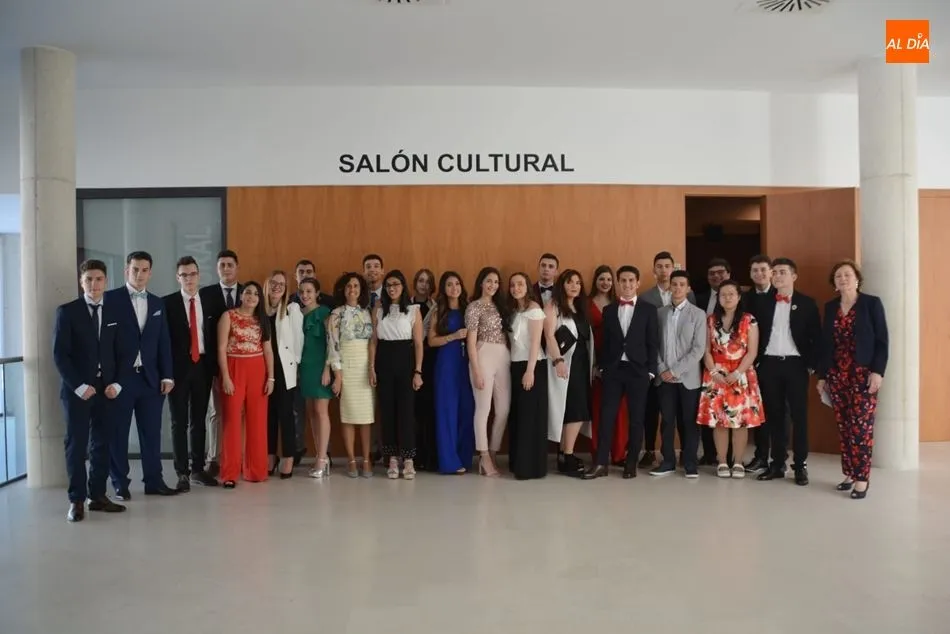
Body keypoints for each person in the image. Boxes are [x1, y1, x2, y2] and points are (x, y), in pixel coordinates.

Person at [53, 259, 130, 521]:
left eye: (98, 279)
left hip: (108, 390)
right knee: (76, 445)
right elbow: (60, 355)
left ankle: (96, 495)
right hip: (78, 391)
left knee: (103, 443)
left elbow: (126, 352)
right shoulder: (67, 312)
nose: (94, 284)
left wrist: (117, 383)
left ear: (106, 281)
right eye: (88, 280)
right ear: (81, 282)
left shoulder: (116, 312)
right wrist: (79, 386)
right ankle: (76, 501)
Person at [107, 251, 179, 499]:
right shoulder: (111, 299)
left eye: (144, 270)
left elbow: (164, 342)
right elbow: (105, 343)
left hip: (150, 379)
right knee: (118, 433)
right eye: (135, 269)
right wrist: (109, 379)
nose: (139, 274)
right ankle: (119, 483)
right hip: (121, 380)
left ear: (150, 272)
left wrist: (167, 375)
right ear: (127, 270)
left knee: (152, 433)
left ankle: (154, 481)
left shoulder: (158, 303)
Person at [817, 260, 888, 500]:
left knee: (861, 429)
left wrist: (878, 371)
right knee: (844, 426)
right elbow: (825, 345)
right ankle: (849, 472)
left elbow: (882, 341)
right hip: (837, 376)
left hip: (863, 376)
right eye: (838, 276)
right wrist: (822, 376)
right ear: (834, 284)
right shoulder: (830, 307)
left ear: (857, 279)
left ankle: (862, 478)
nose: (843, 279)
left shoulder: (871, 304)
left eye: (848, 275)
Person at [583, 265, 659, 480]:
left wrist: (651, 372)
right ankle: (600, 463)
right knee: (606, 417)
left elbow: (653, 343)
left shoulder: (648, 310)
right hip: (614, 371)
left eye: (630, 281)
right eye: (623, 281)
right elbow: (605, 343)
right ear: (618, 283)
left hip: (638, 372)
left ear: (637, 283)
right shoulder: (609, 310)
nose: (626, 285)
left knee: (636, 420)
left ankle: (631, 463)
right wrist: (602, 367)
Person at [752, 257, 821, 486]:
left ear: (794, 276)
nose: (778, 276)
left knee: (799, 416)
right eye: (776, 272)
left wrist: (811, 364)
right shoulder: (763, 303)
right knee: (774, 416)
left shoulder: (807, 303)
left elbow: (816, 338)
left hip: (795, 365)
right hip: (769, 365)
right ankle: (777, 463)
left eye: (783, 272)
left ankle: (800, 465)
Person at [696, 280, 765, 479]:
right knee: (720, 421)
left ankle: (737, 462)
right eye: (723, 294)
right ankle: (722, 461)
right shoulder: (710, 320)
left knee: (739, 422)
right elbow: (706, 350)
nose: (727, 298)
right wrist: (714, 372)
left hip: (741, 376)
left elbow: (752, 352)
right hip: (716, 375)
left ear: (739, 296)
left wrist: (737, 373)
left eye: (731, 294)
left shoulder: (749, 320)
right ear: (718, 298)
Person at [163, 256, 218, 491]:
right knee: (178, 422)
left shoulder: (209, 300)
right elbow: (163, 342)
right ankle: (181, 472)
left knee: (199, 419)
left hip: (203, 366)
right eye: (184, 275)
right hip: (177, 369)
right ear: (178, 278)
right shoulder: (167, 303)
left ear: (199, 275)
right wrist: (165, 373)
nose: (189, 278)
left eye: (192, 274)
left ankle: (197, 469)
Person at [217, 282, 275, 488]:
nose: (251, 296)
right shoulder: (228, 316)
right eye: (248, 292)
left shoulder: (262, 319)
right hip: (234, 368)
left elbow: (268, 351)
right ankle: (229, 473)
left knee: (257, 421)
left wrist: (271, 378)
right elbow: (222, 348)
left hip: (257, 369)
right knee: (232, 421)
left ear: (260, 299)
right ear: (241, 295)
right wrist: (225, 377)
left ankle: (256, 471)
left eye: (255, 294)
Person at [651, 270, 706, 478]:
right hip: (664, 377)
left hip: (688, 378)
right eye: (674, 284)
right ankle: (667, 462)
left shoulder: (698, 314)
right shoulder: (660, 313)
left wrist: (675, 370)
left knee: (689, 421)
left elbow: (698, 349)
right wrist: (662, 369)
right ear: (669, 286)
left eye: (682, 284)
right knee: (667, 421)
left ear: (688, 288)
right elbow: (654, 345)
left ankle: (690, 463)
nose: (677, 288)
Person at [370, 270, 425, 479]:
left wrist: (418, 371)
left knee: (406, 412)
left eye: (396, 284)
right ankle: (392, 458)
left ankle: (408, 458)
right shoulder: (378, 309)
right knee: (387, 411)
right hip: (384, 361)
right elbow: (374, 342)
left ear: (403, 286)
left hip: (405, 361)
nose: (392, 288)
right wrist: (372, 368)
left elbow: (419, 343)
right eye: (389, 285)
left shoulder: (413, 310)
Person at [545, 269, 594, 476]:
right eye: (570, 282)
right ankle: (567, 454)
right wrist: (558, 360)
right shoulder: (553, 306)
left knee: (578, 409)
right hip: (564, 364)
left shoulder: (581, 308)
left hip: (582, 364)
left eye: (578, 282)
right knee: (571, 409)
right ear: (561, 285)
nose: (574, 286)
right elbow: (549, 336)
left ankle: (567, 454)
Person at [199, 249, 243, 477]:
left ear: (237, 267)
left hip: (244, 365)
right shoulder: (205, 294)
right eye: (222, 265)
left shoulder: (248, 293)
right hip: (214, 366)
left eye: (230, 265)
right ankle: (213, 458)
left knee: (239, 413)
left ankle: (237, 456)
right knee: (215, 412)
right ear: (217, 269)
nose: (226, 269)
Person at [328, 273, 376, 478]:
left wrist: (372, 367)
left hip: (365, 366)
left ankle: (366, 459)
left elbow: (373, 342)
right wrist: (337, 375)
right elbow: (333, 345)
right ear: (342, 289)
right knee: (347, 416)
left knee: (366, 417)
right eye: (348, 286)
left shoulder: (367, 313)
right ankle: (350, 460)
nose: (352, 290)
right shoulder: (336, 314)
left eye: (356, 286)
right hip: (346, 366)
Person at [428, 271, 476, 475]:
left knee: (467, 410)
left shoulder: (469, 308)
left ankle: (464, 457)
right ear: (443, 288)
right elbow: (431, 340)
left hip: (467, 365)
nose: (454, 287)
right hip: (446, 364)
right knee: (446, 412)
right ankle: (449, 461)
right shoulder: (439, 309)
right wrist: (453, 336)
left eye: (457, 283)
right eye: (449, 284)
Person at [465, 266, 510, 477]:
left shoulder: (502, 306)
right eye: (489, 281)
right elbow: (471, 342)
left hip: (504, 356)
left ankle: (493, 451)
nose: (493, 285)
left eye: (496, 282)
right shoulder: (473, 307)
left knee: (503, 410)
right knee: (483, 409)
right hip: (482, 356)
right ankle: (483, 456)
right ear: (481, 283)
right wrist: (475, 370)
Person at [506, 273, 549, 480]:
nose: (516, 288)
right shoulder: (513, 311)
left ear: (527, 287)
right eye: (513, 285)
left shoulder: (535, 310)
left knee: (530, 417)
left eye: (520, 284)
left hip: (531, 367)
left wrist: (530, 371)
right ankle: (517, 463)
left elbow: (535, 344)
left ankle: (530, 467)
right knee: (518, 415)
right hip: (514, 366)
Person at [263, 270, 304, 479]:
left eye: (281, 283)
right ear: (267, 285)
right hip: (261, 367)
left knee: (286, 414)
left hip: (284, 368)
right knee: (268, 414)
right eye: (273, 282)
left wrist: (294, 366)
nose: (277, 286)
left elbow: (298, 340)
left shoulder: (291, 309)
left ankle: (288, 455)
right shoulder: (259, 309)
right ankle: (270, 454)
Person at [588, 265, 628, 465]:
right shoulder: (586, 304)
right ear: (595, 280)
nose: (605, 283)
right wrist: (594, 364)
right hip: (593, 361)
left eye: (609, 280)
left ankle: (619, 453)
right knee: (598, 409)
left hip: (617, 363)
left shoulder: (620, 304)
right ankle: (598, 453)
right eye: (601, 278)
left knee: (619, 410)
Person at [297, 278, 334, 478]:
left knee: (321, 410)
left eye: (309, 291)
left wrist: (328, 369)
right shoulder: (297, 314)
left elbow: (332, 343)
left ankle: (322, 457)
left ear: (317, 292)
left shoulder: (325, 313)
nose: (305, 295)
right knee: (311, 411)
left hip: (321, 366)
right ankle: (320, 455)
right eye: (302, 291)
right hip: (305, 367)